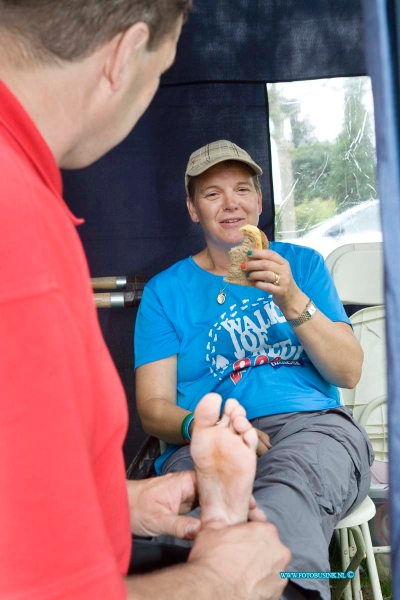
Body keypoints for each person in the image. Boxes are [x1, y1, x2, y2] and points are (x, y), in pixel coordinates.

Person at [0, 5, 291, 600]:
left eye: (244, 190)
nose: (230, 205)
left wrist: (118, 503)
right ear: (125, 53)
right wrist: (220, 583)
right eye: (160, 69)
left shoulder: (27, 192)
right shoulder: (17, 229)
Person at [134, 139, 375, 599]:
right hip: (207, 438)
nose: (231, 204)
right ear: (192, 209)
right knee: (205, 513)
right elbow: (152, 408)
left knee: (285, 494)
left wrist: (290, 298)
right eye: (212, 194)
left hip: (311, 427)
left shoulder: (301, 265)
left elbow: (348, 372)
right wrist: (204, 428)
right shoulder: (166, 292)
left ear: (259, 202)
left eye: (242, 189)